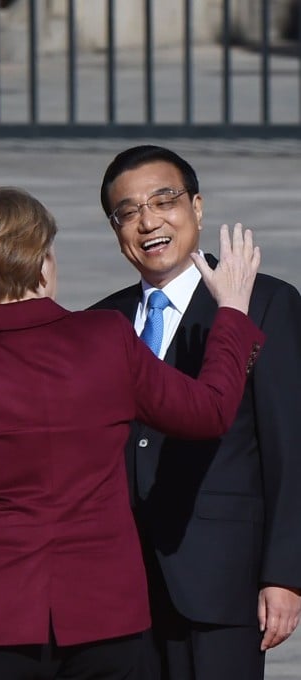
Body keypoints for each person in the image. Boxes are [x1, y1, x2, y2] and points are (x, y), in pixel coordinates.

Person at [0, 187, 264, 680]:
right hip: (105, 617)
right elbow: (210, 411)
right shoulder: (107, 338)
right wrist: (234, 315)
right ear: (42, 262)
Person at [91, 145, 301, 680]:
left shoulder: (264, 302)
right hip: (119, 588)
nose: (149, 222)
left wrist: (285, 574)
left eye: (165, 201)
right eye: (128, 211)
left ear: (198, 209)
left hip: (221, 583)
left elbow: (290, 444)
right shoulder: (100, 322)